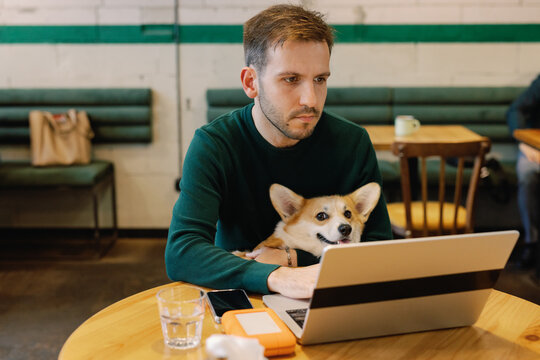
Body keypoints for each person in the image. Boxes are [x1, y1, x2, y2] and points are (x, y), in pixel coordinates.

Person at [165, 4, 392, 299]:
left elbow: (378, 248)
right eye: (291, 79)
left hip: (325, 299)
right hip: (240, 298)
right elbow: (183, 252)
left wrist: (293, 261)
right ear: (251, 83)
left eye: (320, 79)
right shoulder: (214, 145)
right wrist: (279, 277)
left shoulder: (353, 142)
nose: (310, 99)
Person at [506, 74, 540, 279]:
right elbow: (516, 110)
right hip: (534, 147)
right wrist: (524, 143)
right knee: (528, 174)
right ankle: (532, 242)